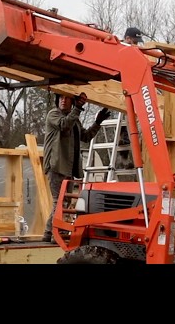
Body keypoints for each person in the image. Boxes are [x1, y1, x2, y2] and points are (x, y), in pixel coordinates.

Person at [41, 92, 111, 243]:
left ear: (71, 101)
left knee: (62, 201)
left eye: (67, 98)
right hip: (56, 165)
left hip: (67, 167)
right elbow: (64, 125)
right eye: (61, 98)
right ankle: (56, 234)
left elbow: (85, 137)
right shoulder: (54, 114)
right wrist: (78, 108)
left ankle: (48, 233)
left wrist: (97, 122)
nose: (63, 101)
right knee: (60, 202)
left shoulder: (75, 120)